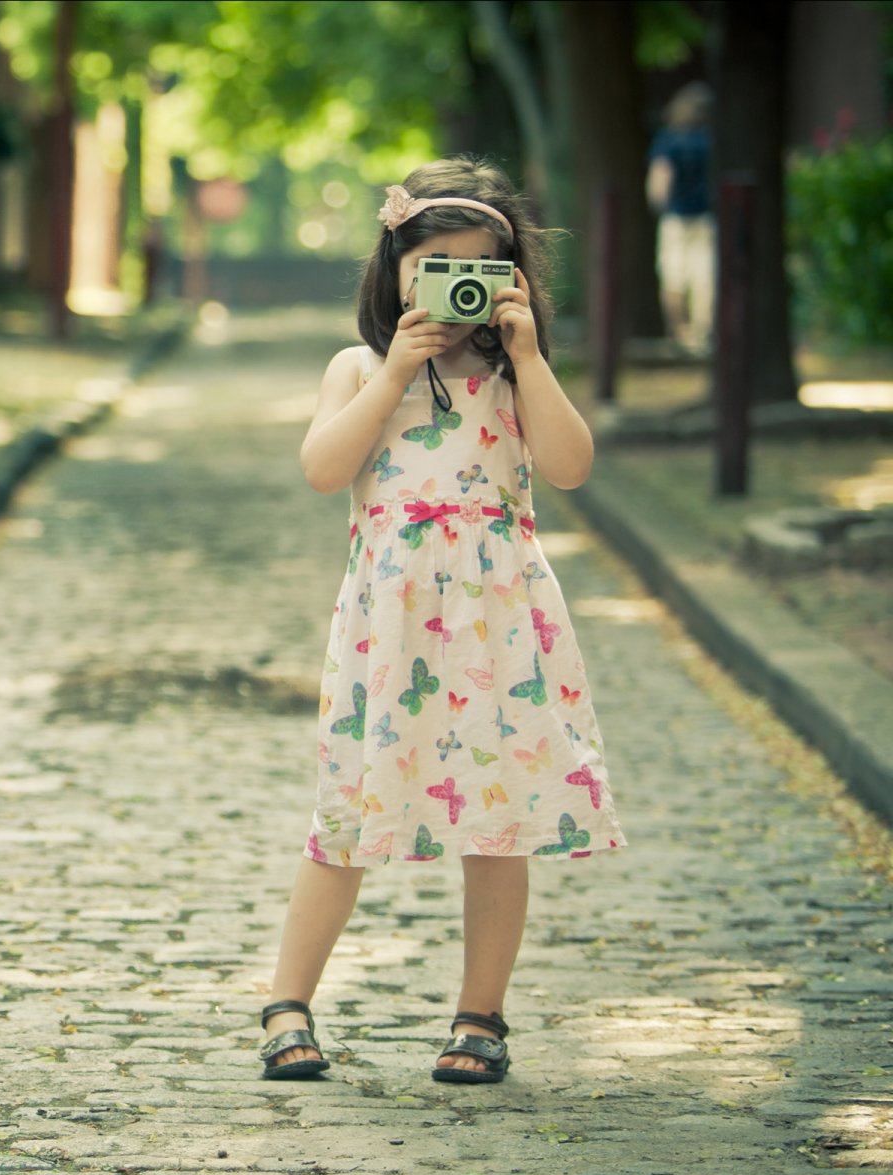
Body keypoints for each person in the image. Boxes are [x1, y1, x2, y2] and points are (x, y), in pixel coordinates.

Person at [258, 157, 629, 1086]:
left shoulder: (514, 376)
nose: (455, 288)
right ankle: (287, 1003)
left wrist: (530, 358)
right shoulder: (357, 368)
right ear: (394, 273)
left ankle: (480, 1015)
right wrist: (394, 373)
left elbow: (572, 467)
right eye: (433, 267)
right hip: (389, 630)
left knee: (496, 821)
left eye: (477, 269)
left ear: (511, 278)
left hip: (497, 626)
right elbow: (323, 470)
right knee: (345, 814)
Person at [646, 83, 715, 354]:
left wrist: (658, 205)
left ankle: (678, 333)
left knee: (672, 276)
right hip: (706, 217)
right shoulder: (710, 140)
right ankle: (701, 335)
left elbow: (660, 178)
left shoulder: (668, 140)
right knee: (704, 278)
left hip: (675, 217)